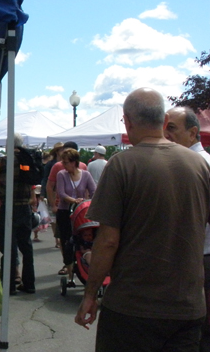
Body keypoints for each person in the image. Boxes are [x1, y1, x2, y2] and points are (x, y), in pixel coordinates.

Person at [75, 88, 210, 351]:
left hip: (133, 306)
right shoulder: (199, 165)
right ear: (164, 120)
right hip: (187, 305)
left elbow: (108, 241)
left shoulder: (121, 165)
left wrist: (90, 294)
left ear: (127, 121)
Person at [164, 106, 210, 352]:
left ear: (192, 133)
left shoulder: (198, 164)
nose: (165, 134)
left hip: (200, 258)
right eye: (164, 128)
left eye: (171, 128)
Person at [0, 133, 37, 295]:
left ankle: (10, 284)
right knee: (26, 246)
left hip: (9, 206)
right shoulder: (26, 159)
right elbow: (29, 181)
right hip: (25, 207)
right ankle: (29, 283)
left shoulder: (6, 160)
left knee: (9, 247)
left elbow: (4, 183)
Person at [55, 148, 96, 287]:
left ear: (74, 162)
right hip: (65, 211)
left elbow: (94, 191)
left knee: (84, 239)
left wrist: (89, 202)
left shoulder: (86, 175)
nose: (64, 165)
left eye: (66, 162)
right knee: (67, 242)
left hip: (81, 212)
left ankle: (88, 268)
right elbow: (61, 193)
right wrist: (74, 201)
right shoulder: (62, 174)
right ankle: (70, 272)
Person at [41, 142, 64, 249]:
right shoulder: (50, 164)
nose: (63, 151)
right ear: (57, 152)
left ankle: (62, 238)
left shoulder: (67, 162)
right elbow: (45, 179)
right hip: (53, 192)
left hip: (64, 192)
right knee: (54, 218)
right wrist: (42, 193)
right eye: (61, 149)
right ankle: (57, 239)